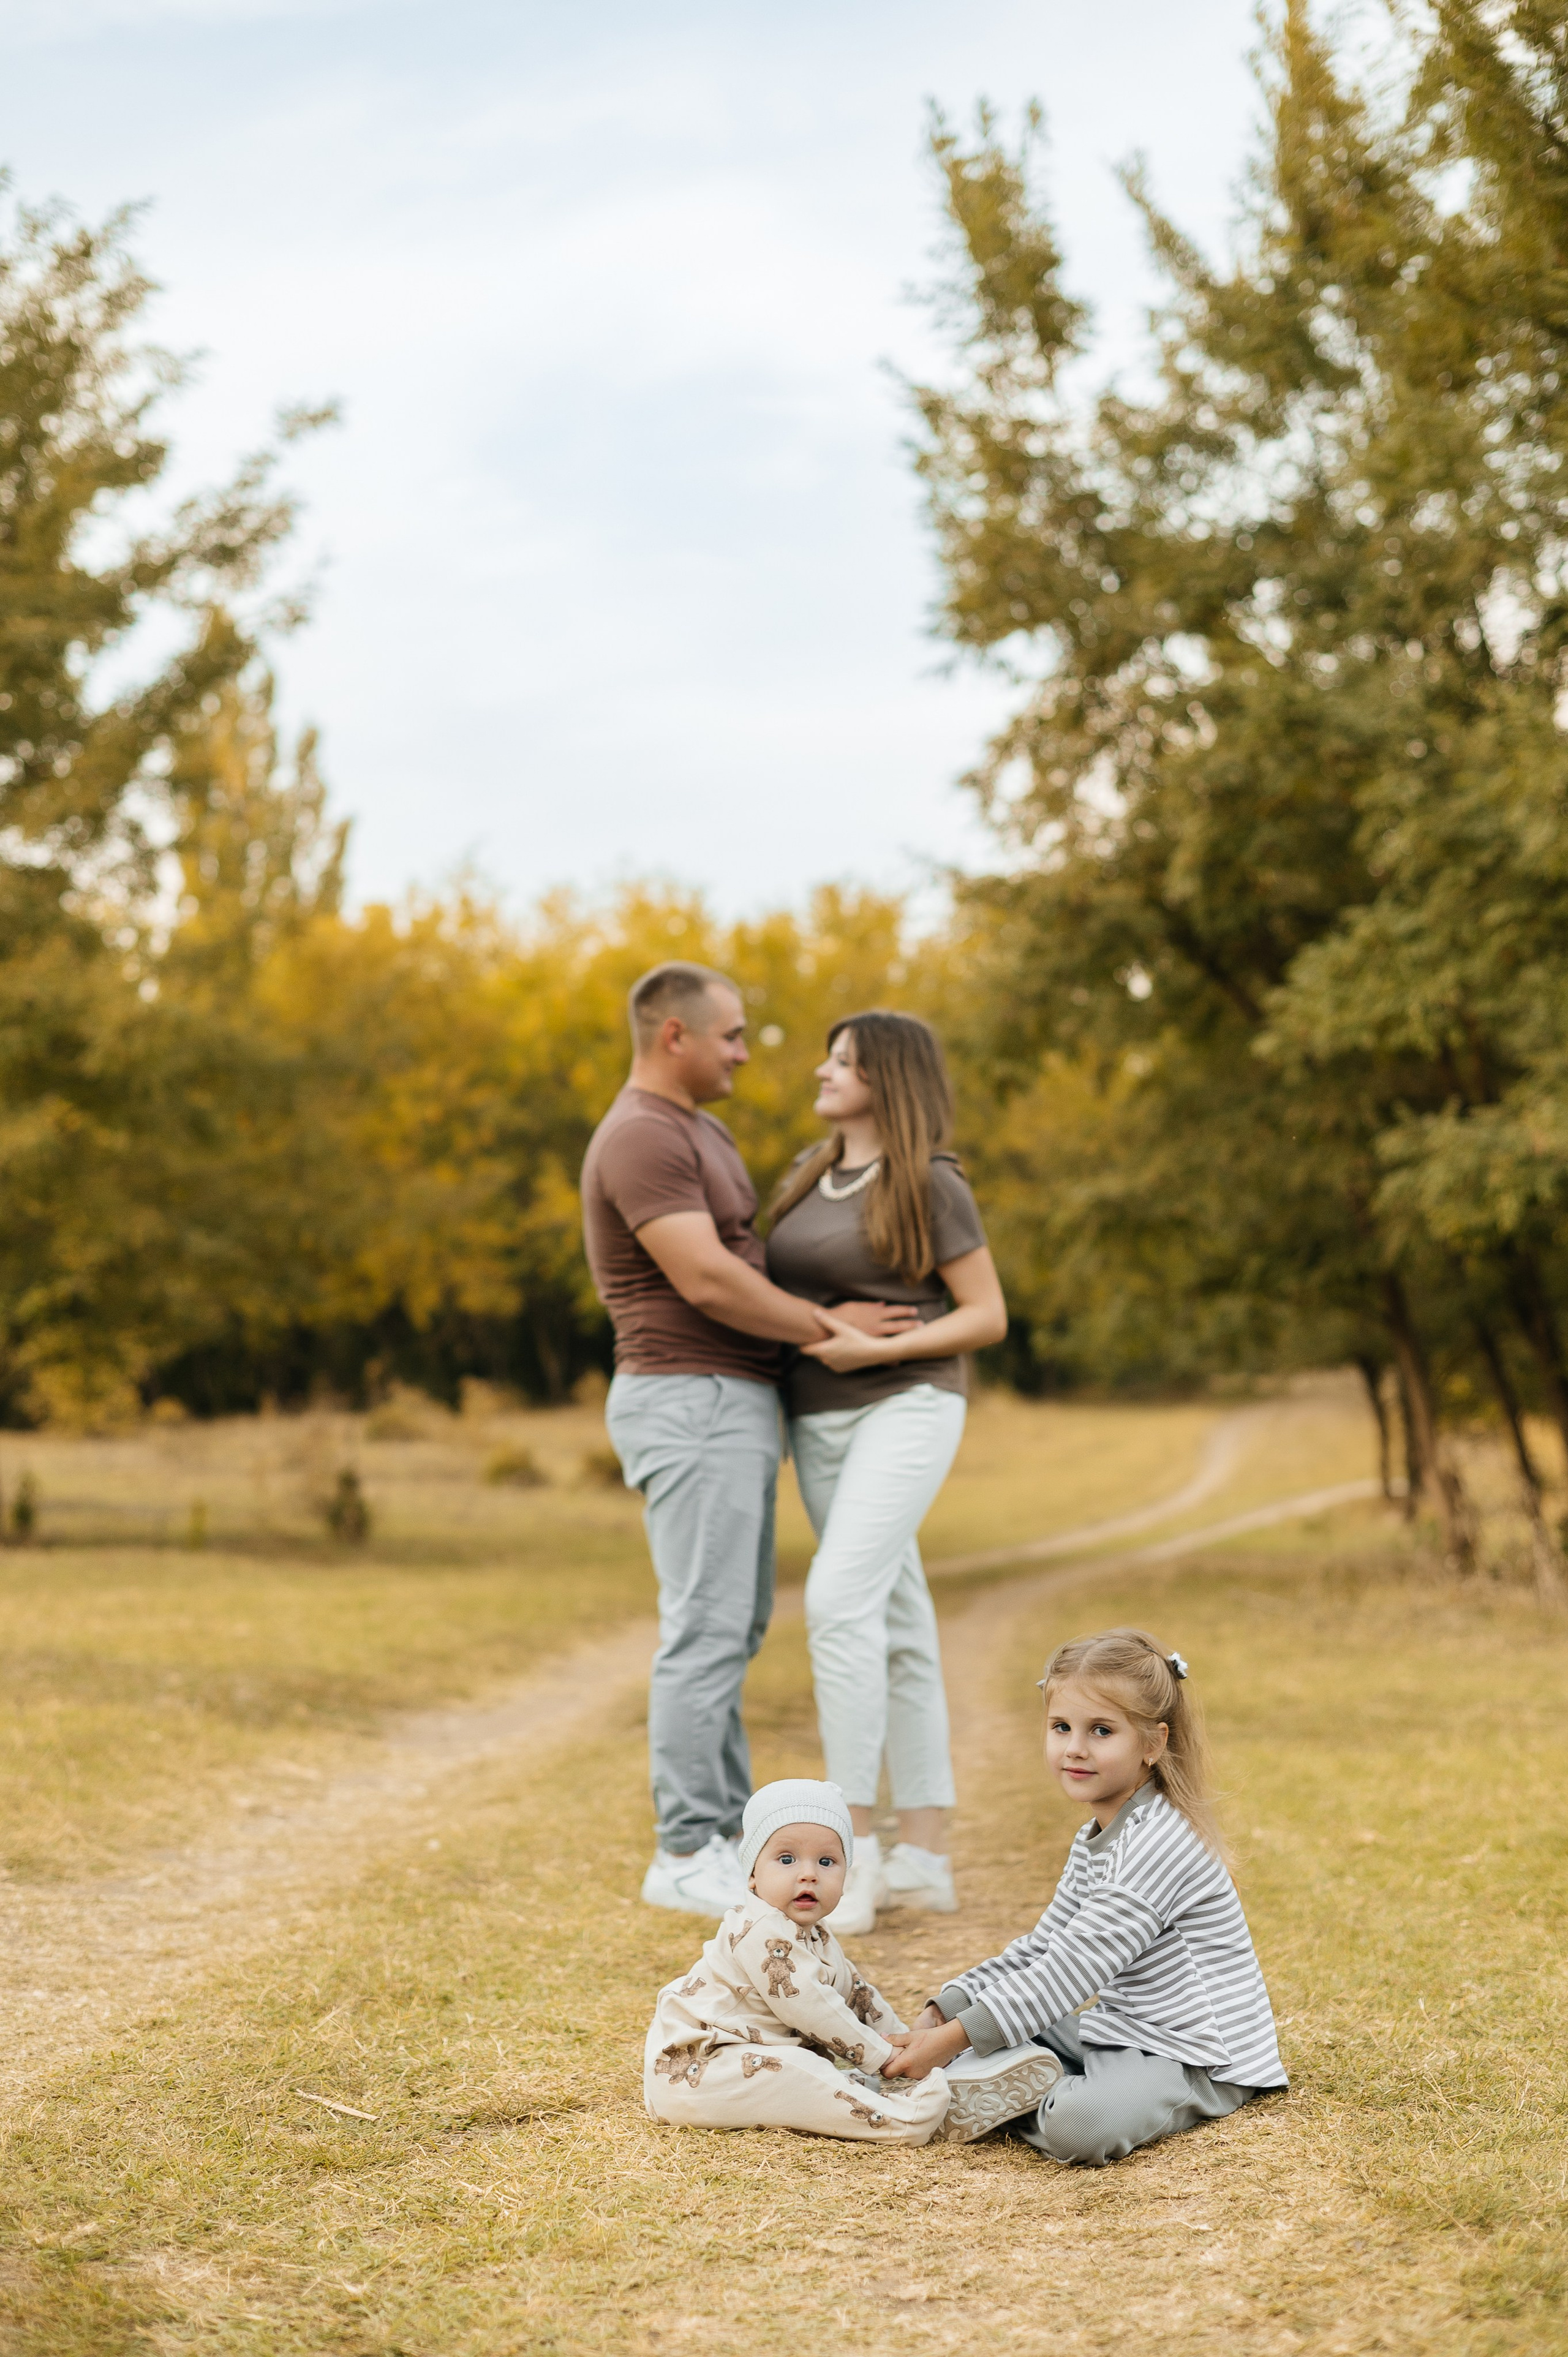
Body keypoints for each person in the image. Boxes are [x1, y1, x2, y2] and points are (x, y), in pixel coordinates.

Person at [581, 964, 916, 1919]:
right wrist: (830, 1331)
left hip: (727, 1401)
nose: (745, 1050)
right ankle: (684, 1848)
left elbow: (741, 1265)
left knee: (733, 1626)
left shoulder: (699, 1130)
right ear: (674, 1036)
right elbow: (708, 1281)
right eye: (731, 1035)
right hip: (689, 1399)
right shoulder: (644, 1134)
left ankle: (718, 1835)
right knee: (704, 1630)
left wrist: (821, 1308)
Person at [764, 1011, 1008, 1933]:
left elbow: (985, 1315)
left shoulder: (931, 1181)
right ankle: (928, 1858)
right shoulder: (805, 1173)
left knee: (837, 1601)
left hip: (907, 1404)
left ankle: (851, 1856)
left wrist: (871, 1353)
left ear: (889, 1078)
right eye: (827, 1055)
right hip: (818, 1419)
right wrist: (827, 1335)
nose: (823, 1071)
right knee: (896, 1616)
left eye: (844, 1060)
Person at [880, 1629, 1287, 2166]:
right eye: (1061, 1727)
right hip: (1123, 2031)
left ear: (1153, 1744)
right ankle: (1011, 2070)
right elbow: (1044, 1948)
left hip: (1197, 2056)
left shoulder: (1162, 1843)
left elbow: (1071, 1971)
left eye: (1101, 1731)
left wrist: (957, 2041)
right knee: (1001, 2013)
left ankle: (1007, 2091)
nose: (1075, 1747)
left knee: (1078, 2127)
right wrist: (946, 2008)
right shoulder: (1097, 1836)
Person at [643, 1778, 952, 2143]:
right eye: (786, 1859)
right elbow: (810, 2005)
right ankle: (902, 2122)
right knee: (799, 2071)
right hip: (701, 2070)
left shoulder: (816, 1934)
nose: (809, 1873)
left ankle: (891, 2088)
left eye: (827, 1861)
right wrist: (883, 2057)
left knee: (812, 2071)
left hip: (747, 2062)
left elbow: (854, 1994)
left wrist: (907, 2044)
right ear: (753, 1875)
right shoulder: (758, 1929)